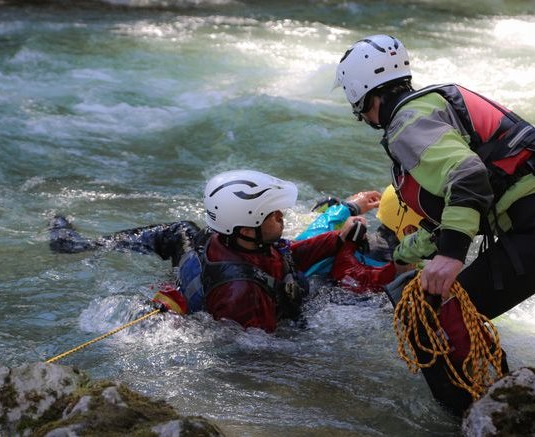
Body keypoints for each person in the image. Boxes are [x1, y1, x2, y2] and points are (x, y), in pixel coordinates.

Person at [333, 34, 535, 414]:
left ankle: (482, 415)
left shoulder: (406, 124)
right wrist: (409, 250)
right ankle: (500, 403)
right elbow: (475, 199)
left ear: (361, 95)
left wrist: (450, 256)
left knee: (422, 314)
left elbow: (469, 176)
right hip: (525, 223)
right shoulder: (431, 105)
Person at [49, 170, 400, 332]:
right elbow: (260, 352)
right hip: (224, 303)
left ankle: (82, 246)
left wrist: (338, 238)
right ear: (247, 229)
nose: (283, 216)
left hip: (209, 275)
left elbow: (287, 252)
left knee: (180, 231)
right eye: (274, 214)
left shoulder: (231, 240)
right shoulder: (243, 295)